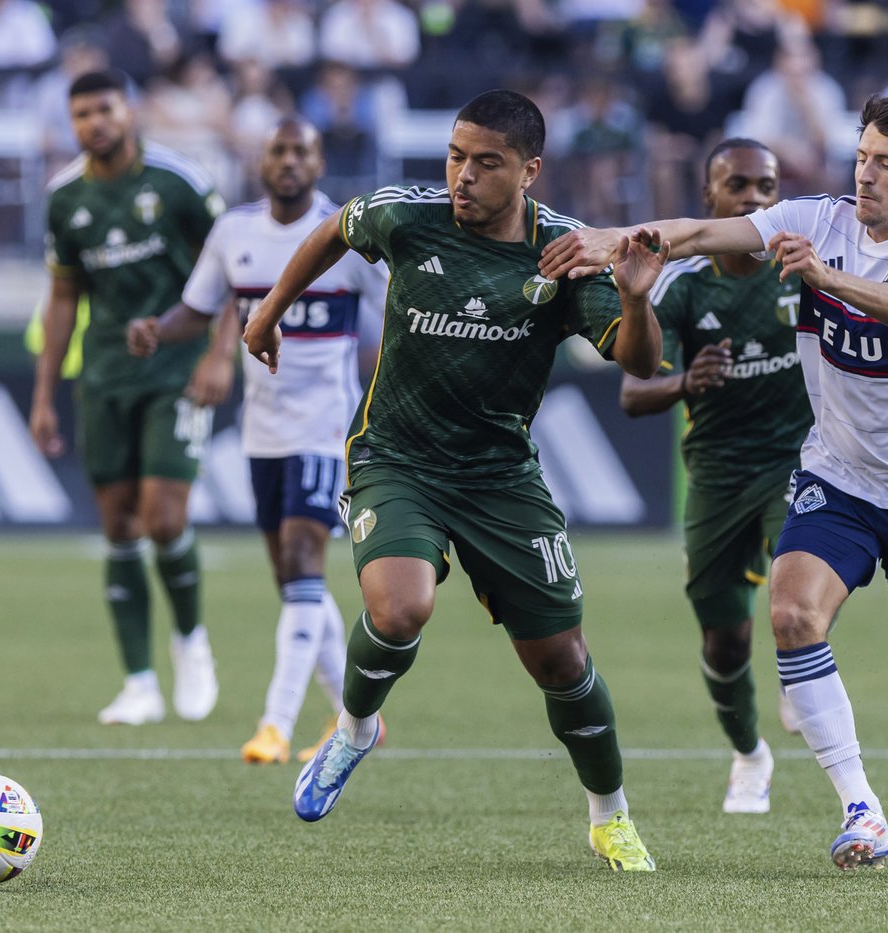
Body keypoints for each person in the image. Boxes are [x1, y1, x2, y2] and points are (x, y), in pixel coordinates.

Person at [541, 95, 888, 870]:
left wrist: (823, 278)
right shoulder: (818, 219)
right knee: (790, 613)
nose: (866, 174)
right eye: (862, 156)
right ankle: (862, 810)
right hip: (838, 475)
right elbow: (697, 233)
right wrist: (617, 238)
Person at [242, 89, 664, 871]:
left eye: (486, 163)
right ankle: (355, 728)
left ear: (529, 171)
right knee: (401, 608)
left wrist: (636, 299)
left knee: (563, 663)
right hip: (396, 458)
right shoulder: (407, 216)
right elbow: (332, 230)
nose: (463, 176)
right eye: (455, 156)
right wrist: (269, 311)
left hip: (501, 476)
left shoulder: (566, 251)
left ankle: (610, 815)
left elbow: (639, 360)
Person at [127, 117, 390, 765]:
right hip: (262, 430)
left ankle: (274, 724)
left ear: (319, 162)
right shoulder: (234, 232)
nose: (289, 160)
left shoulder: (348, 237)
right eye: (279, 151)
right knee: (294, 579)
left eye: (302, 150)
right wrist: (158, 328)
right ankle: (358, 718)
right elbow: (198, 308)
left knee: (302, 561)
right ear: (261, 162)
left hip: (326, 427)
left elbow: (395, 319)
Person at [30, 69, 236, 726]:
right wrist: (44, 394)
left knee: (164, 519)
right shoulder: (64, 198)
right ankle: (139, 683)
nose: (94, 123)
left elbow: (234, 269)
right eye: (82, 114)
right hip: (103, 376)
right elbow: (64, 297)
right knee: (118, 527)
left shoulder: (178, 181)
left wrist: (220, 354)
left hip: (176, 369)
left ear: (129, 111)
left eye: (105, 109)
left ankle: (192, 642)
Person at [619, 138, 807, 815]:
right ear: (710, 197)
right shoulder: (683, 285)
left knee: (799, 584)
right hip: (718, 473)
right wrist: (685, 382)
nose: (754, 198)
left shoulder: (801, 269)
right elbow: (633, 393)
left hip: (799, 460)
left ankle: (800, 665)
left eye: (766, 187)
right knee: (725, 643)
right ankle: (750, 755)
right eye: (739, 185)